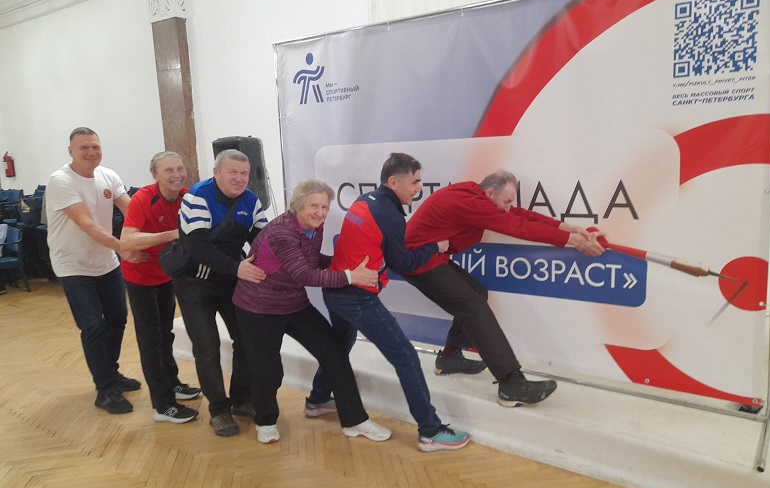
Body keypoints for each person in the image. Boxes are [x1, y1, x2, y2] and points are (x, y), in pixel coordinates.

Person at [404, 170, 606, 407]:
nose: (509, 207)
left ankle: (449, 357)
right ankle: (511, 384)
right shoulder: (469, 202)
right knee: (474, 308)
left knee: (477, 293)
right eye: (506, 200)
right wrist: (575, 241)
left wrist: (569, 228)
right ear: (490, 192)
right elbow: (517, 226)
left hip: (430, 257)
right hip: (417, 260)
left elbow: (519, 215)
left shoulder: (476, 195)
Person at [315, 153, 470, 452]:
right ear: (394, 181)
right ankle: (430, 431)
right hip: (356, 297)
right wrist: (436, 247)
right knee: (406, 357)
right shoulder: (388, 213)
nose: (418, 189)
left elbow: (388, 245)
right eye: (415, 182)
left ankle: (318, 399)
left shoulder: (367, 200)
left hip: (336, 290)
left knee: (340, 345)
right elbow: (404, 263)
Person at [233, 179, 391, 444]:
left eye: (324, 207)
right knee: (268, 371)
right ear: (297, 206)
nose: (320, 213)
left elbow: (309, 259)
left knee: (335, 353)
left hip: (293, 303)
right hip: (259, 307)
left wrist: (343, 263)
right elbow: (304, 274)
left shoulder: (315, 227)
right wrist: (350, 275)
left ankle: (355, 421)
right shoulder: (282, 232)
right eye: (313, 206)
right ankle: (266, 421)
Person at [46, 127, 144, 414]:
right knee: (92, 326)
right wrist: (123, 247)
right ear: (71, 152)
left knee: (117, 319)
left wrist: (155, 233)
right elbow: (87, 224)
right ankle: (105, 389)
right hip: (72, 265)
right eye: (84, 148)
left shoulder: (108, 176)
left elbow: (132, 211)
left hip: (105, 262)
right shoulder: (60, 180)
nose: (91, 152)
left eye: (95, 147)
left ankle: (111, 373)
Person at [173, 149, 268, 437]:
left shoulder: (251, 200)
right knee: (207, 347)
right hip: (194, 283)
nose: (239, 179)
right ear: (216, 173)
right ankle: (218, 410)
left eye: (244, 173)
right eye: (232, 172)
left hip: (230, 280)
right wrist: (237, 267)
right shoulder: (197, 196)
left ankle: (241, 399)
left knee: (247, 340)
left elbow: (263, 240)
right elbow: (197, 247)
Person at [119, 151, 202, 425]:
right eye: (169, 170)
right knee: (150, 339)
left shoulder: (187, 197)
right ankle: (163, 404)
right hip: (140, 277)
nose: (177, 175)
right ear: (155, 175)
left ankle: (172, 383)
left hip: (166, 275)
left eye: (180, 168)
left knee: (166, 334)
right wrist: (171, 235)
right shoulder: (143, 198)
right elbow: (128, 239)